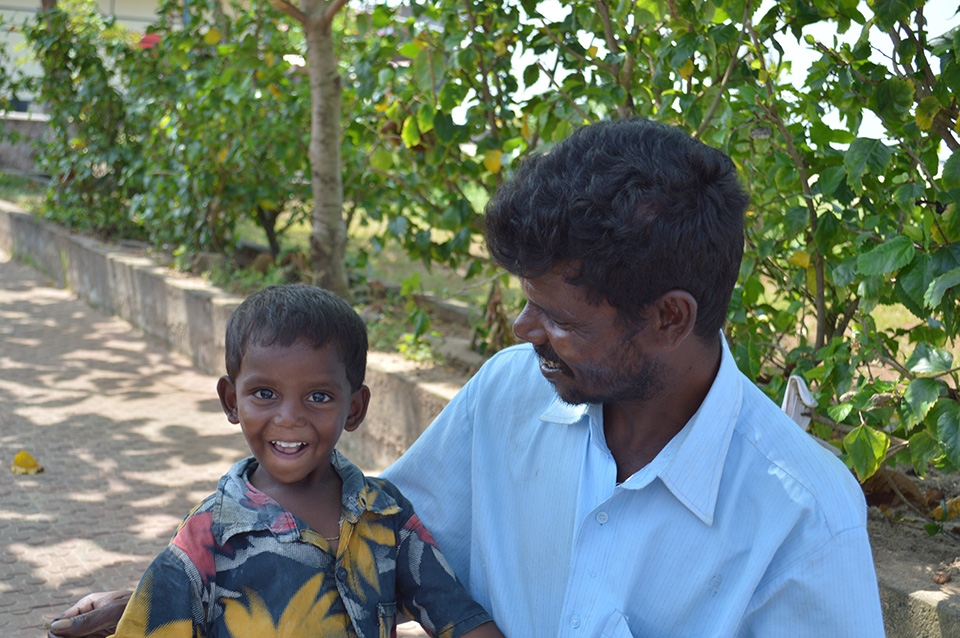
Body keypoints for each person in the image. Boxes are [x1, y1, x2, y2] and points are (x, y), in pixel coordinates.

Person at [49, 117, 885, 637]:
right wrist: (175, 588)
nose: (524, 333)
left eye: (560, 317)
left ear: (669, 318)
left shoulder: (802, 519)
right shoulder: (511, 394)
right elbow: (370, 540)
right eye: (525, 304)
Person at [93, 284, 503, 638]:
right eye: (265, 393)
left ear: (355, 408)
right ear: (231, 401)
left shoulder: (384, 515)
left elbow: (458, 618)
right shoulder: (207, 537)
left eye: (319, 396)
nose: (289, 417)